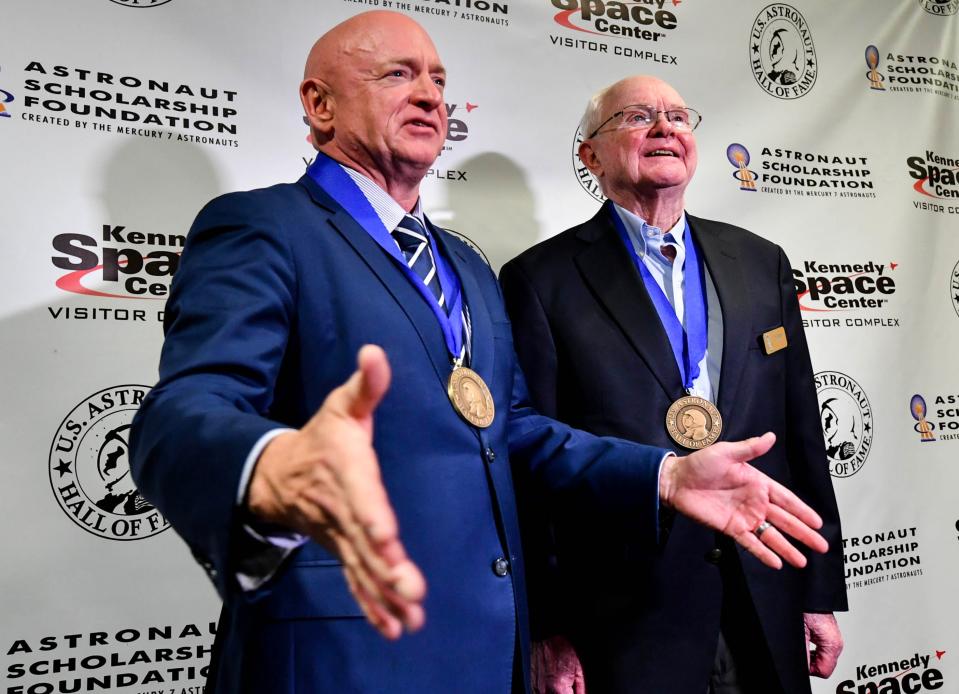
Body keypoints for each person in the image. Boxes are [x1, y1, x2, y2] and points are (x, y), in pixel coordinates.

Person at [130, 17, 830, 693]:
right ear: (319, 103)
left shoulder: (463, 264)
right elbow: (184, 409)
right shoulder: (263, 226)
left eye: (437, 79)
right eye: (397, 74)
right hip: (343, 649)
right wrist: (266, 466)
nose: (430, 94)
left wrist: (664, 476)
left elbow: (516, 432)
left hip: (486, 645)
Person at [500, 75, 847, 694]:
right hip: (627, 612)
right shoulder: (539, 279)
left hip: (764, 584)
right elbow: (532, 467)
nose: (664, 128)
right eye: (636, 117)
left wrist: (817, 591)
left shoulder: (759, 260)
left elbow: (802, 428)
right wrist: (548, 627)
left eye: (677, 116)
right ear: (591, 155)